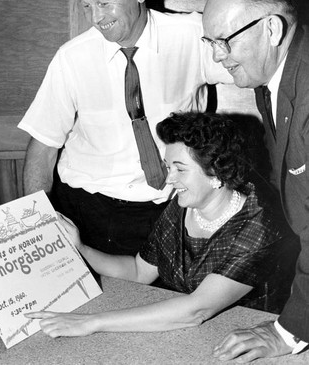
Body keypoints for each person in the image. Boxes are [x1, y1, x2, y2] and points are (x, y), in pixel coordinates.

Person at [18, 0, 230, 257]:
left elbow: (252, 68)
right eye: (87, 6)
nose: (95, 18)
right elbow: (43, 148)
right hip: (86, 213)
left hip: (170, 211)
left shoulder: (191, 37)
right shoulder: (72, 58)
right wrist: (38, 223)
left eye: (104, 3)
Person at [26, 111, 287, 337]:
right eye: (167, 166)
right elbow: (139, 271)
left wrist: (90, 322)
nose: (168, 179)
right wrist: (79, 247)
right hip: (187, 330)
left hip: (248, 336)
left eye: (180, 169)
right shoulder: (183, 205)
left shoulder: (259, 225)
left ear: (217, 174)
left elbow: (196, 310)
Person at [202, 0, 309, 361]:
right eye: (210, 42)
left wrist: (289, 331)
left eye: (224, 40)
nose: (216, 55)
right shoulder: (275, 80)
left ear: (271, 29)